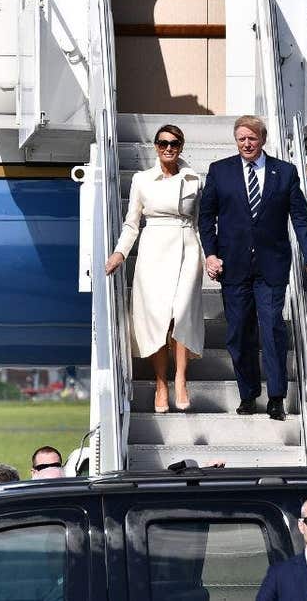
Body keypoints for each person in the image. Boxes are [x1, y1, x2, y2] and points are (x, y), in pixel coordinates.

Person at [199, 115, 307, 422]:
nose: (247, 144)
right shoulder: (220, 171)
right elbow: (206, 217)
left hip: (271, 266)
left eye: (252, 138)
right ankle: (248, 392)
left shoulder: (285, 172)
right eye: (241, 138)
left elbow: (301, 219)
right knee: (238, 334)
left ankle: (276, 397)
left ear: (263, 139)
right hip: (233, 266)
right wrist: (211, 254)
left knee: (272, 330)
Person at [106, 124, 204, 413]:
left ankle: (181, 378)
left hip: (187, 246)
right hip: (153, 249)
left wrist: (210, 255)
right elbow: (132, 223)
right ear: (155, 146)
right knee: (158, 319)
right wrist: (119, 253)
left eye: (174, 143)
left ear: (181, 146)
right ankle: (161, 383)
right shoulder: (142, 179)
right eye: (162, 143)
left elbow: (203, 223)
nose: (168, 148)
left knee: (181, 313)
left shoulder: (195, 179)